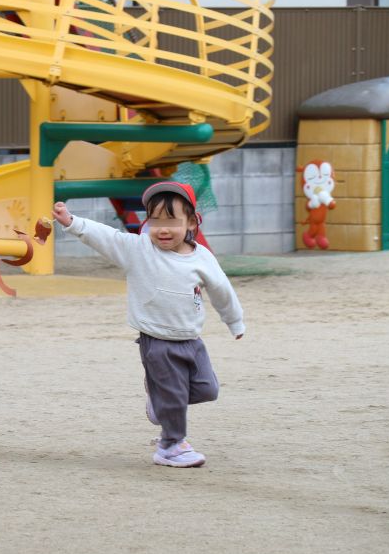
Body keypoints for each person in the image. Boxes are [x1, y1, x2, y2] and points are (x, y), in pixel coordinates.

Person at [51, 181, 244, 467]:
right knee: (174, 397)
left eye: (172, 221)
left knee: (207, 389)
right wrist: (72, 222)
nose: (163, 229)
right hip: (156, 341)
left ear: (192, 222)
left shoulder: (202, 257)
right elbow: (106, 237)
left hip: (191, 339)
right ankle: (170, 446)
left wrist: (234, 321)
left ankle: (159, 396)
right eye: (155, 220)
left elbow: (222, 290)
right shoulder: (139, 250)